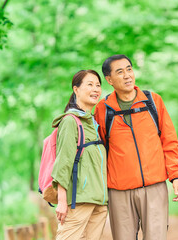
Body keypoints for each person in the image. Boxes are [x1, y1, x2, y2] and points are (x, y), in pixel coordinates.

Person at [94, 54, 178, 240]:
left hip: (154, 186)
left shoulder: (153, 101)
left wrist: (175, 176)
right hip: (119, 191)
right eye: (120, 72)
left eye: (129, 69)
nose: (127, 75)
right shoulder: (103, 109)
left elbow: (169, 141)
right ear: (109, 80)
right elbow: (98, 151)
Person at [51, 69, 108, 240]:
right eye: (89, 84)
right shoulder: (70, 121)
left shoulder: (93, 123)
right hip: (78, 202)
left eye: (98, 85)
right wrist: (61, 202)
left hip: (99, 203)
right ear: (76, 89)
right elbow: (64, 162)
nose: (95, 89)